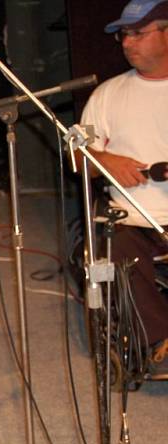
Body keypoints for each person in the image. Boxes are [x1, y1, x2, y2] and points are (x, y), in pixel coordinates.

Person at [80, 0, 168, 373]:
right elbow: (79, 158)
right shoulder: (106, 95)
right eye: (123, 34)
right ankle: (160, 344)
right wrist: (104, 160)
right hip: (131, 220)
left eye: (137, 33)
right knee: (112, 251)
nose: (126, 43)